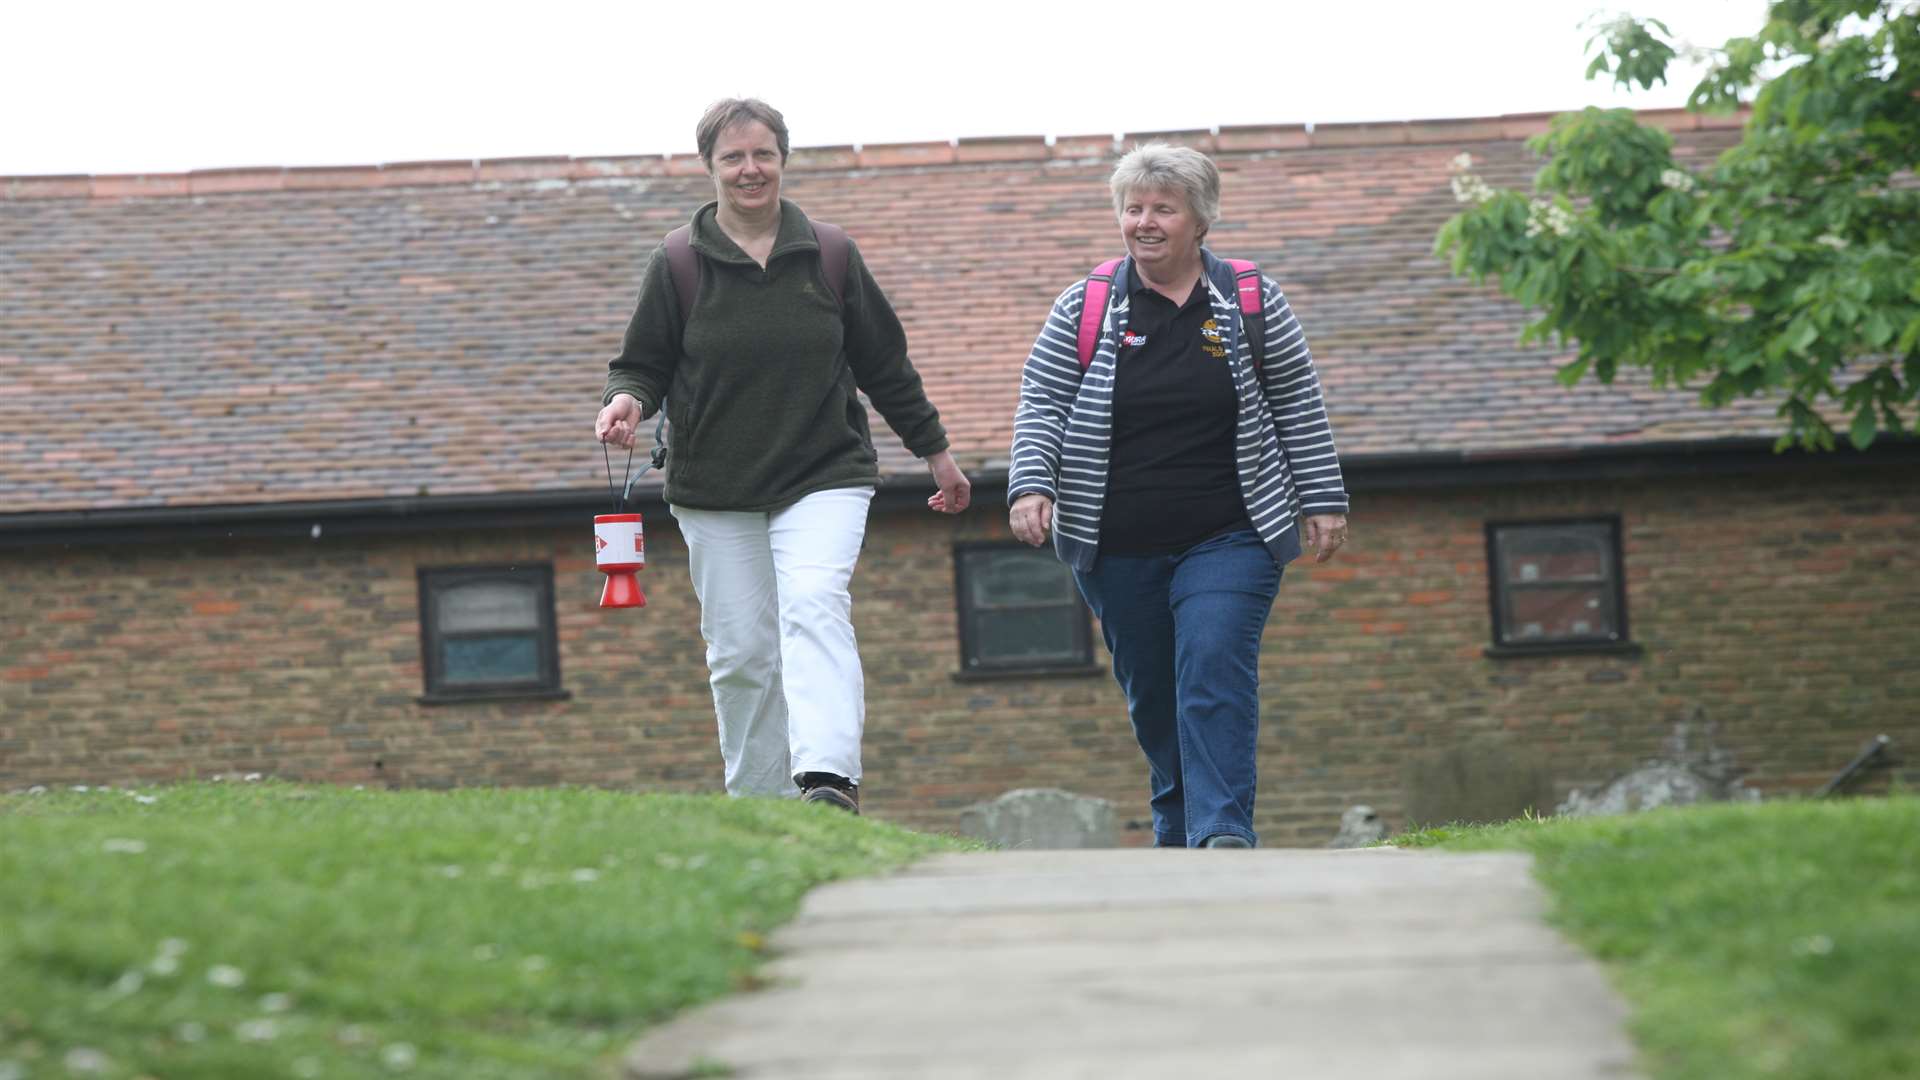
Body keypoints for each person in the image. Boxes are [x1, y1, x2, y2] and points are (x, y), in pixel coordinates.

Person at [596, 98, 969, 814]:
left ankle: (829, 779)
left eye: (763, 154)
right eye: (733, 157)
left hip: (823, 472)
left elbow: (884, 364)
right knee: (740, 653)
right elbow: (639, 364)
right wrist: (627, 403)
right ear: (708, 167)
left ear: (783, 160)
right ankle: (760, 802)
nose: (750, 169)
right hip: (715, 484)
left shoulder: (828, 254)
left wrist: (937, 454)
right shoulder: (677, 262)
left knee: (814, 605)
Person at [1007, 144, 1349, 848]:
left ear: (1201, 220)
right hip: (1116, 540)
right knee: (1156, 697)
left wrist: (1321, 496)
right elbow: (1042, 400)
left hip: (1231, 531)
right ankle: (1177, 820)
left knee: (1213, 665)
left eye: (1164, 208)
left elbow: (1297, 402)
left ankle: (1221, 831)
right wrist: (1033, 483)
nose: (1146, 222)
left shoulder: (1250, 299)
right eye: (1134, 208)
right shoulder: (1089, 304)